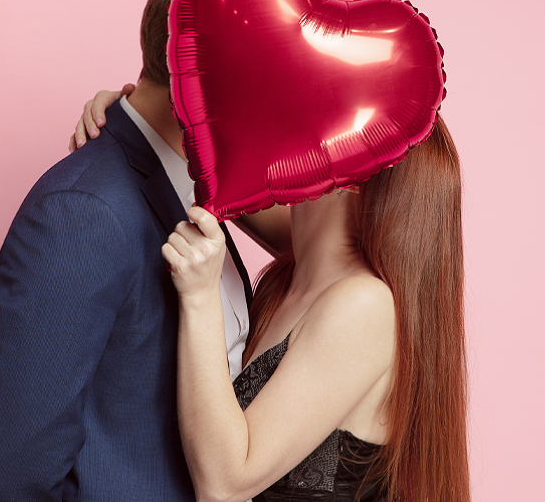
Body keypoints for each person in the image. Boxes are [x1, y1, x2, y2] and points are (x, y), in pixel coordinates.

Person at [0, 0, 290, 502]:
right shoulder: (83, 215)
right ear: (205, 78)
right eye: (261, 76)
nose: (273, 101)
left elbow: (319, 244)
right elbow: (6, 480)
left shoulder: (194, 183)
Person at [76, 90, 469, 501]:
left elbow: (224, 485)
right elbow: (210, 173)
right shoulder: (302, 270)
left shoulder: (364, 304)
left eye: (325, 122)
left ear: (354, 177)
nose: (295, 126)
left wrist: (200, 295)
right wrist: (138, 116)